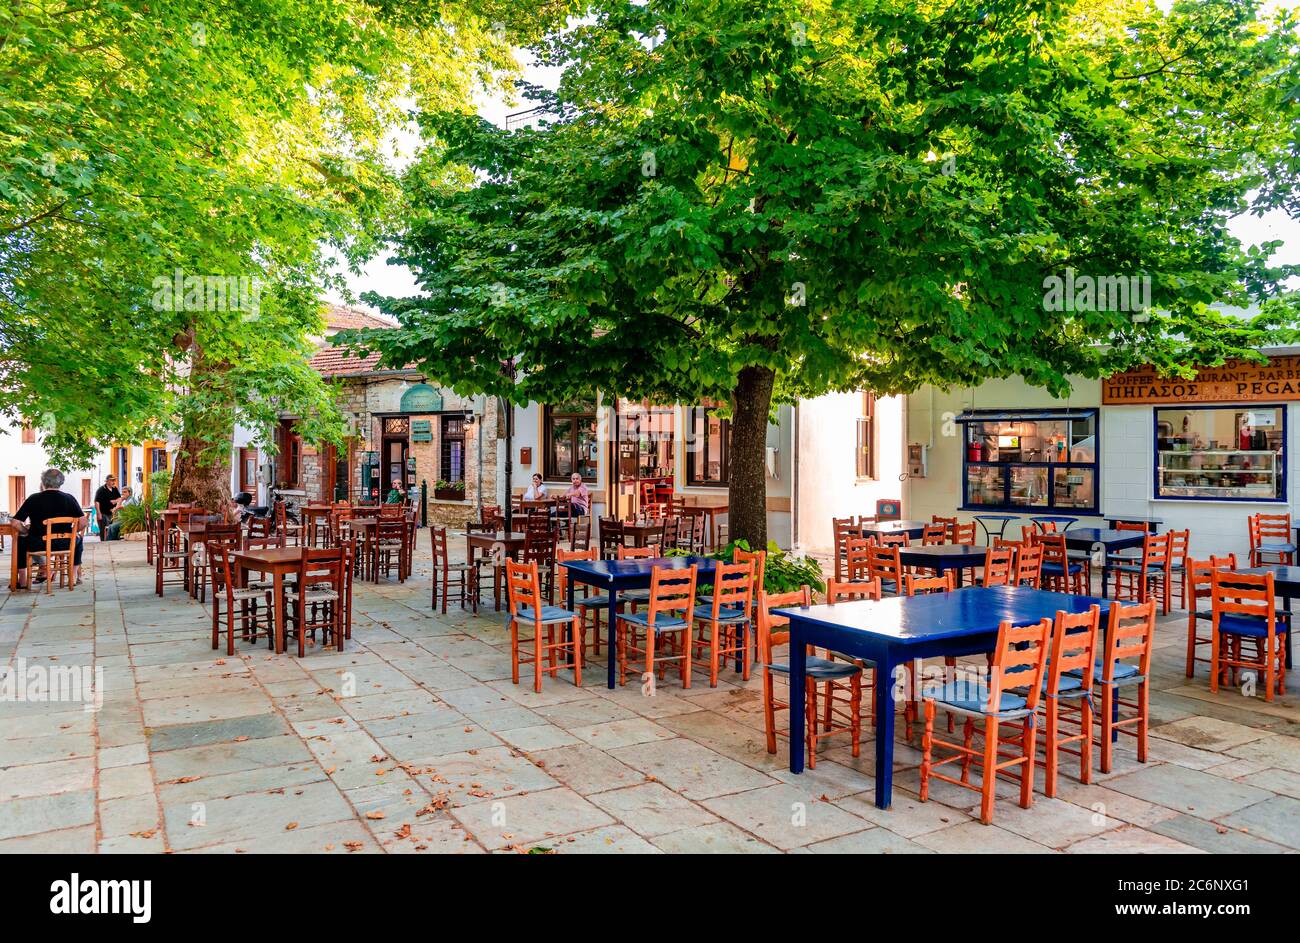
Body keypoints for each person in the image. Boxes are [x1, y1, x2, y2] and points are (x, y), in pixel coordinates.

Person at [13, 469, 87, 589]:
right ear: (61, 482)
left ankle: (22, 580)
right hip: (64, 544)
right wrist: (73, 533)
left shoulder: (33, 499)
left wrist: (27, 532)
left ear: (43, 482)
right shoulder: (69, 498)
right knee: (78, 540)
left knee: (21, 541)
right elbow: (83, 522)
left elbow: (15, 523)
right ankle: (72, 578)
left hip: (39, 544)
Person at [94, 474, 123, 541]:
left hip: (113, 513)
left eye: (114, 480)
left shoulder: (115, 489)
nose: (113, 482)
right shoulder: (101, 490)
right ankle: (104, 543)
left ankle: (111, 542)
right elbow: (96, 502)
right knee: (103, 530)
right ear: (107, 481)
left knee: (112, 530)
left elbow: (119, 499)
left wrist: (116, 504)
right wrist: (99, 513)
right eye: (112, 480)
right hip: (103, 513)